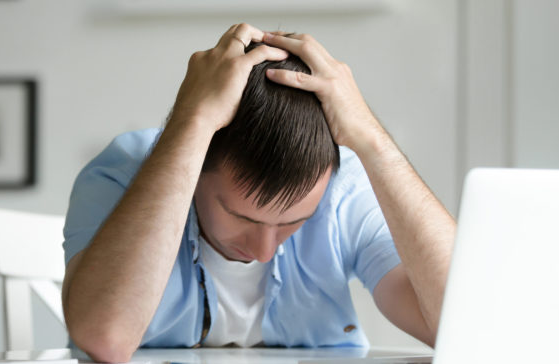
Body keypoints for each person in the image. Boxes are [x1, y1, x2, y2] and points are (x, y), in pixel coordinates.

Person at [61, 23, 456, 363]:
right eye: (242, 217)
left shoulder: (345, 186)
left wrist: (372, 140)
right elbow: (106, 340)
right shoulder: (125, 171)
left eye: (294, 221)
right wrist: (192, 123)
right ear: (197, 170)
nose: (264, 251)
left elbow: (467, 323)